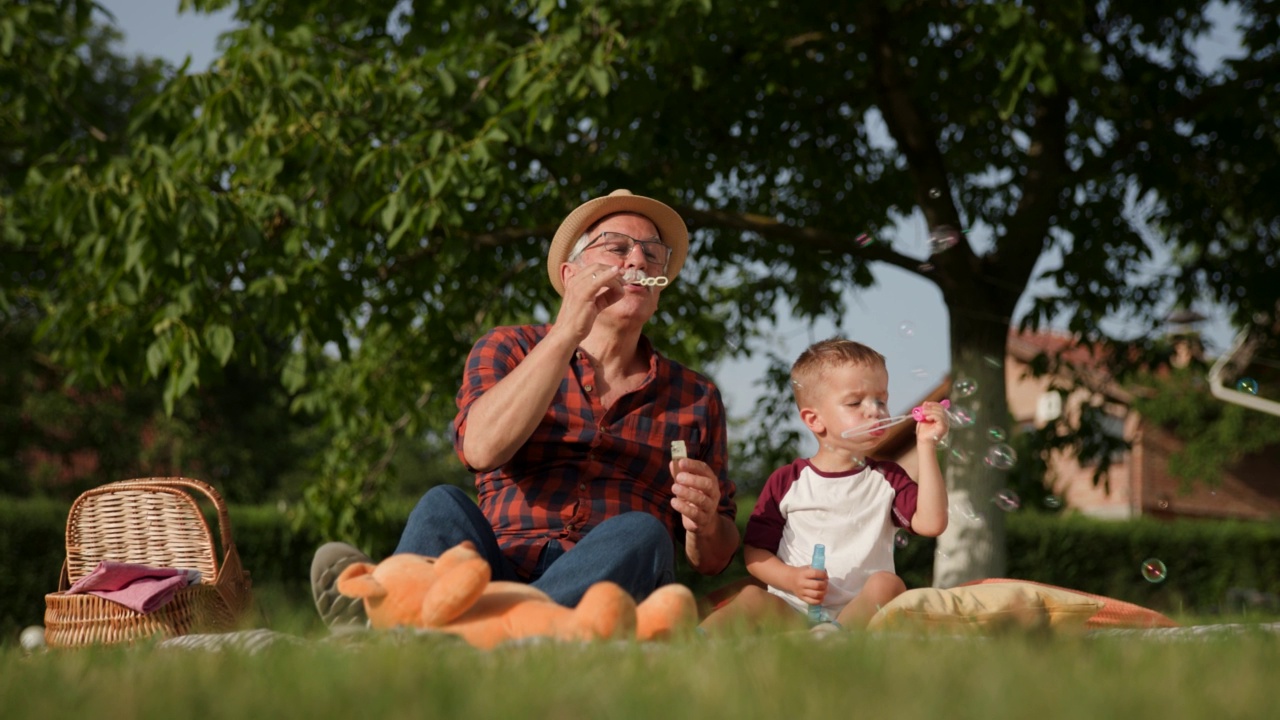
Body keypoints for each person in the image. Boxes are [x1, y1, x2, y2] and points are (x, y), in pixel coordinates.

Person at [312, 190, 740, 626]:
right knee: (441, 504)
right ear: (571, 274)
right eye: (617, 247)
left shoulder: (695, 395)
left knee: (644, 532)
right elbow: (479, 449)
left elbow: (716, 557)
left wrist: (704, 523)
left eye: (653, 254)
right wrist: (566, 334)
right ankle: (503, 629)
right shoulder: (508, 347)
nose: (638, 261)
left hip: (605, 585)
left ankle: (404, 623)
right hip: (495, 569)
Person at [700, 338, 949, 634]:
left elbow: (932, 523)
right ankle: (687, 644)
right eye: (856, 402)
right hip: (792, 613)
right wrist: (790, 579)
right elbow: (756, 554)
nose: (875, 411)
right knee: (753, 596)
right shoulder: (788, 481)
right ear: (814, 420)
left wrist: (925, 445)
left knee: (888, 584)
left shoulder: (887, 478)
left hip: (861, 616)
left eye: (881, 399)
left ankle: (833, 638)